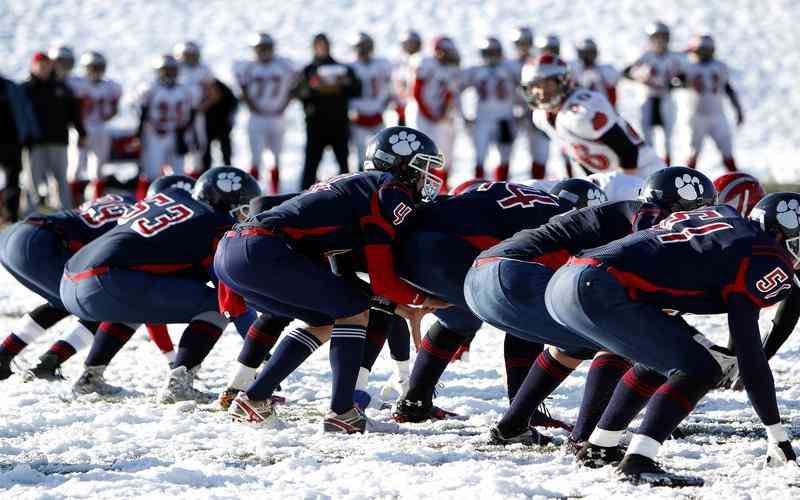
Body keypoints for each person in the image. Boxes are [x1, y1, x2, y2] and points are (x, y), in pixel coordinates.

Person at [545, 193, 800, 485]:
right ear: (781, 233)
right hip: (600, 287)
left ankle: (601, 447)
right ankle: (639, 461)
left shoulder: (727, 219)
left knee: (663, 359)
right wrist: (777, 434)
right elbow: (748, 350)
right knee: (703, 367)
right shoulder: (769, 256)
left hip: (568, 280)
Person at [215, 126, 446, 433]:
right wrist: (427, 301)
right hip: (263, 249)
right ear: (401, 166)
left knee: (328, 319)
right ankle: (342, 411)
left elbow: (348, 277)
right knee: (353, 312)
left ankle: (254, 398)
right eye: (423, 168)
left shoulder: (354, 187)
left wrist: (400, 304)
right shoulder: (388, 188)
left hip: (236, 252)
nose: (428, 177)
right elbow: (383, 282)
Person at [60, 167, 260, 402]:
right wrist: (260, 351)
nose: (244, 217)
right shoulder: (213, 222)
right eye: (243, 208)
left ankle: (90, 377)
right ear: (224, 201)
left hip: (70, 281)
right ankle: (180, 383)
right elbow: (229, 295)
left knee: (133, 304)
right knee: (217, 305)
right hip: (108, 280)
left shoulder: (167, 202)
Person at [519, 53, 665, 196]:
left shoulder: (584, 109)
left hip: (643, 170)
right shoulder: (540, 117)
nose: (541, 92)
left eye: (547, 85)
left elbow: (627, 151)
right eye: (534, 86)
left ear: (563, 81)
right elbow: (580, 156)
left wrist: (625, 190)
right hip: (609, 175)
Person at [294, 33, 360, 189]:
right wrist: (313, 88)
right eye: (319, 45)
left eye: (324, 45)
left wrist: (343, 84)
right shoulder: (309, 70)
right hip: (316, 124)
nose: (322, 48)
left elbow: (356, 89)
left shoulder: (342, 68)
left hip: (339, 123)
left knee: (343, 166)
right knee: (311, 166)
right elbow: (298, 93)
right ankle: (302, 199)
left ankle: (348, 197)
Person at [24, 51, 86, 210]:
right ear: (34, 66)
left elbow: (73, 112)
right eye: (40, 66)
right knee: (33, 181)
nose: (44, 69)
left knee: (60, 180)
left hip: (58, 140)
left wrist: (81, 131)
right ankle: (29, 214)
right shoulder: (26, 89)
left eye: (46, 66)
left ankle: (64, 212)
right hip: (35, 142)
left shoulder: (61, 87)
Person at [235, 33, 295, 193]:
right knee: (255, 158)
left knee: (275, 157)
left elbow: (295, 85)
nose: (264, 51)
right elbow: (241, 90)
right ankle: (251, 194)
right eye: (260, 48)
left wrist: (285, 104)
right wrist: (250, 104)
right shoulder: (247, 66)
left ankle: (275, 192)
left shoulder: (284, 65)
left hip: (277, 116)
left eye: (266, 47)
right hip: (257, 117)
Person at [622, 21, 686, 164]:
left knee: (667, 138)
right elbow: (626, 72)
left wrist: (675, 83)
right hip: (647, 98)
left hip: (665, 98)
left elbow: (684, 78)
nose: (660, 40)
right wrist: (640, 75)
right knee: (647, 138)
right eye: (657, 37)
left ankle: (668, 166)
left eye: (663, 36)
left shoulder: (674, 57)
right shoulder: (644, 56)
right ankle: (651, 166)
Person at [677, 34, 743, 172]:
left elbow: (727, 88)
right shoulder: (688, 66)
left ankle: (735, 183)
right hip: (696, 115)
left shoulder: (719, 66)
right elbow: (674, 82)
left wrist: (738, 109)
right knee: (692, 152)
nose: (705, 54)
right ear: (694, 50)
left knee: (727, 150)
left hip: (717, 114)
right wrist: (681, 81)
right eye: (702, 50)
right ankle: (687, 184)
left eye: (707, 50)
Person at [135, 55, 197, 198]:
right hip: (156, 134)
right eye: (165, 70)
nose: (169, 74)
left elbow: (191, 115)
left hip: (177, 133)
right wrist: (139, 136)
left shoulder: (185, 90)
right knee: (152, 172)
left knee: (179, 173)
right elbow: (142, 114)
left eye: (172, 70)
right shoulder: (150, 89)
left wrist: (188, 136)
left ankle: (180, 202)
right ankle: (144, 202)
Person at [66, 52, 122, 202]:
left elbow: (114, 109)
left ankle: (94, 201)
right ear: (85, 68)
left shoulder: (111, 86)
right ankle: (71, 202)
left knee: (98, 168)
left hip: (101, 127)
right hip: (80, 128)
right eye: (93, 67)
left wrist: (110, 112)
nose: (96, 70)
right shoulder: (76, 83)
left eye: (99, 67)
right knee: (75, 166)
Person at [459, 37, 518, 180]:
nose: (491, 55)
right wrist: (464, 115)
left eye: (494, 52)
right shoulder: (474, 70)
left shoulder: (510, 69)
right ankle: (477, 189)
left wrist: (521, 111)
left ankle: (502, 189)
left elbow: (524, 91)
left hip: (504, 118)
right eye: (488, 52)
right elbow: (456, 91)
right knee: (479, 157)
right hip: (482, 119)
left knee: (504, 157)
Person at [410, 36, 461, 189]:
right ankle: (420, 187)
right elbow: (417, 90)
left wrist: (443, 113)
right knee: (423, 153)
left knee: (445, 154)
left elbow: (449, 93)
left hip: (440, 115)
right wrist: (429, 114)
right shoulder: (425, 62)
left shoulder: (452, 68)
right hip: (422, 114)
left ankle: (442, 187)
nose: (446, 55)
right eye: (444, 51)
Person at [508, 26, 550, 180]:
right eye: (520, 43)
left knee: (540, 153)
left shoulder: (538, 63)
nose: (523, 47)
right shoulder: (507, 64)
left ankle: (537, 189)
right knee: (504, 154)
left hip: (535, 111)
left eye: (526, 42)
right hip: (509, 114)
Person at [349, 32, 393, 166]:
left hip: (377, 114)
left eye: (366, 46)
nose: (363, 50)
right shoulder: (351, 67)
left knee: (382, 153)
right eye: (361, 47)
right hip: (358, 116)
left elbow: (389, 87)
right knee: (361, 156)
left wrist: (384, 104)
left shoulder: (382, 64)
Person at [0, 72, 38, 222]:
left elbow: (25, 111)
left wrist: (30, 133)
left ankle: (11, 216)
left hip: (12, 142)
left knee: (13, 180)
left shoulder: (11, 87)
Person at [175, 41, 215, 175]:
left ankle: (193, 178)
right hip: (175, 116)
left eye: (193, 55)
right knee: (175, 149)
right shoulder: (175, 69)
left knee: (198, 147)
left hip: (196, 113)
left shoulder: (203, 69)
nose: (191, 58)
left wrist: (202, 107)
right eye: (188, 55)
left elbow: (212, 94)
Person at [201, 78, 238, 173]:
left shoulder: (226, 94)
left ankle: (228, 171)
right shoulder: (201, 92)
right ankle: (205, 172)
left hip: (222, 125)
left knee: (226, 152)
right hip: (208, 126)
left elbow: (234, 106)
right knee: (205, 152)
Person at [572, 38, 619, 108]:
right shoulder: (574, 71)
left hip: (605, 112)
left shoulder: (605, 70)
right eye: (585, 54)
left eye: (590, 53)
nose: (587, 57)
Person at [392, 30, 422, 126]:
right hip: (399, 106)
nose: (411, 47)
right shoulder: (397, 63)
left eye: (413, 43)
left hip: (416, 106)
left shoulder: (422, 62)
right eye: (408, 44)